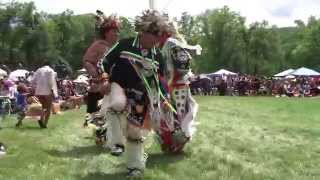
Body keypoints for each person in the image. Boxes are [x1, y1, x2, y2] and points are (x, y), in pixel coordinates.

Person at [100, 9, 174, 177]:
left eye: (159, 36)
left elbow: (160, 79)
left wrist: (165, 98)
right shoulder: (125, 45)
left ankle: (135, 167)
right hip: (118, 85)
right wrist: (104, 79)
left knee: (135, 131)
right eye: (155, 35)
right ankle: (117, 143)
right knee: (118, 103)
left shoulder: (157, 56)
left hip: (140, 96)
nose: (157, 40)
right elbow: (104, 61)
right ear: (144, 32)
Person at [154, 24, 200, 153]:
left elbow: (184, 62)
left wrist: (176, 75)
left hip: (178, 86)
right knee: (169, 114)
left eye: (157, 33)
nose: (156, 36)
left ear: (163, 33)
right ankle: (171, 143)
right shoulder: (163, 46)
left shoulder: (171, 43)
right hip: (170, 86)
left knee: (179, 116)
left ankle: (176, 144)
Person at [82, 10, 120, 123]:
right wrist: (96, 75)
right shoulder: (99, 45)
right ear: (107, 32)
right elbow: (87, 61)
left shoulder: (116, 48)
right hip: (98, 89)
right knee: (97, 122)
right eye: (114, 31)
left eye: (118, 31)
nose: (117, 33)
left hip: (111, 88)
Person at [32, 62, 58, 128]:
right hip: (47, 92)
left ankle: (41, 119)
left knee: (41, 107)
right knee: (48, 108)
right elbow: (51, 82)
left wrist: (36, 87)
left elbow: (33, 81)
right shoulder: (50, 71)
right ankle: (45, 124)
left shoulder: (38, 70)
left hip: (38, 92)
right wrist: (53, 92)